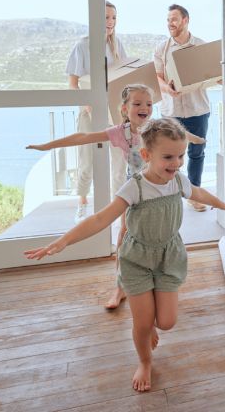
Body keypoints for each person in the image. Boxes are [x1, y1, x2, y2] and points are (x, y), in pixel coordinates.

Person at [24, 118, 225, 392]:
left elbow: (199, 193)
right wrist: (63, 242)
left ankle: (150, 324)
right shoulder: (135, 187)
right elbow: (100, 219)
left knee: (166, 322)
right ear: (146, 155)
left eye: (180, 156)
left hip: (168, 257)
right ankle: (145, 361)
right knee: (142, 324)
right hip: (137, 261)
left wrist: (222, 205)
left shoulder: (178, 180)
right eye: (168, 157)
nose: (177, 163)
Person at [26, 84, 204, 310]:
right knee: (124, 233)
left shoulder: (158, 128)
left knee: (161, 233)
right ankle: (121, 286)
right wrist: (47, 146)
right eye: (137, 103)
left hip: (160, 190)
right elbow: (83, 136)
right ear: (124, 108)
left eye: (149, 104)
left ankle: (160, 281)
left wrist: (197, 139)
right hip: (136, 190)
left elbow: (180, 134)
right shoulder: (120, 132)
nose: (144, 108)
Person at [66, 1, 127, 221]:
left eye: (114, 17)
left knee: (119, 163)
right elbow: (73, 84)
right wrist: (87, 105)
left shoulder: (117, 45)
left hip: (114, 112)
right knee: (87, 163)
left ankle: (118, 209)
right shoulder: (82, 46)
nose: (111, 22)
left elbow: (123, 77)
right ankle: (82, 203)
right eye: (106, 17)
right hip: (89, 113)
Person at [153, 4, 211, 212]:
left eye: (174, 19)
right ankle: (168, 196)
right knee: (169, 155)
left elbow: (209, 74)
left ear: (186, 20)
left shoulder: (201, 46)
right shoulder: (162, 49)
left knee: (197, 152)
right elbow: (157, 77)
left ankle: (194, 195)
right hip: (171, 111)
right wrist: (167, 90)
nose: (170, 23)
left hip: (198, 109)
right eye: (168, 19)